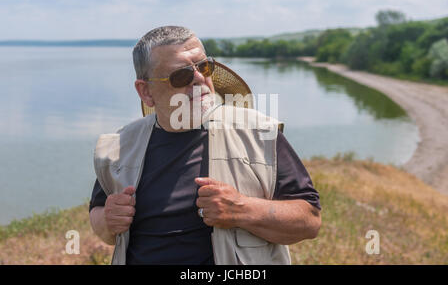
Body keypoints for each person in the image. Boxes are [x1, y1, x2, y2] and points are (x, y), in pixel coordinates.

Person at [89, 26, 321, 265]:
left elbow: (310, 221)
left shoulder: (259, 134)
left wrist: (241, 209)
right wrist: (107, 219)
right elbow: (97, 212)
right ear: (145, 91)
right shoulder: (120, 147)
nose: (199, 79)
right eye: (180, 76)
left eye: (204, 67)